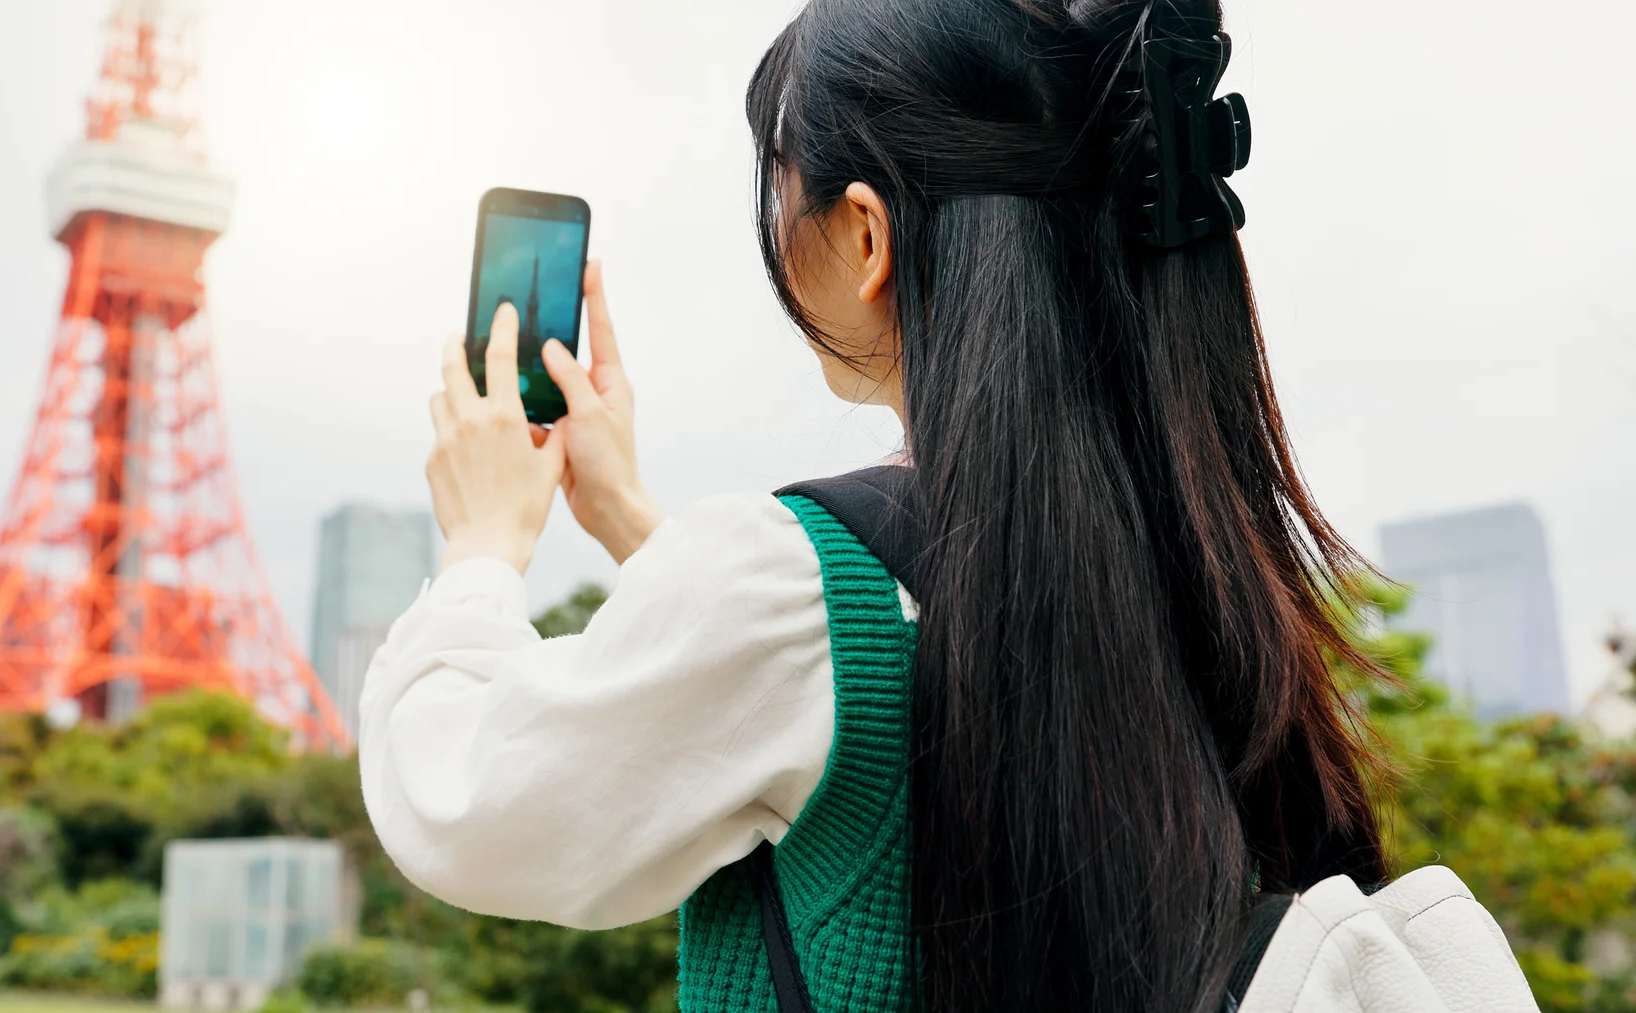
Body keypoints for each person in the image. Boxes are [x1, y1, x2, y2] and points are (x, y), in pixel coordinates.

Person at [360, 0, 1538, 1010]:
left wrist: (480, 543)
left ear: (866, 233)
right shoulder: (1207, 554)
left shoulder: (788, 592)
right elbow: (899, 665)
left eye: (783, 185)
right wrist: (631, 520)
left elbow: (465, 801)